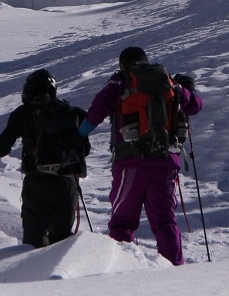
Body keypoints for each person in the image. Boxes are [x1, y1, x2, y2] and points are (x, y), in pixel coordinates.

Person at [78, 46, 202, 266]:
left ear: (123, 65)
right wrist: (186, 88)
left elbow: (97, 110)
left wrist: (80, 134)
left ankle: (122, 272)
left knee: (122, 222)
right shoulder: (167, 80)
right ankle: (176, 272)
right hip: (165, 162)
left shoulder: (120, 82)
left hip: (130, 163)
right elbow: (196, 105)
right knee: (165, 221)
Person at [0, 69, 90, 248]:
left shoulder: (24, 113)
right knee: (62, 243)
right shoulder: (73, 112)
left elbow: (1, 148)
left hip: (37, 182)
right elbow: (84, 149)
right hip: (67, 183)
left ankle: (33, 274)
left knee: (33, 243)